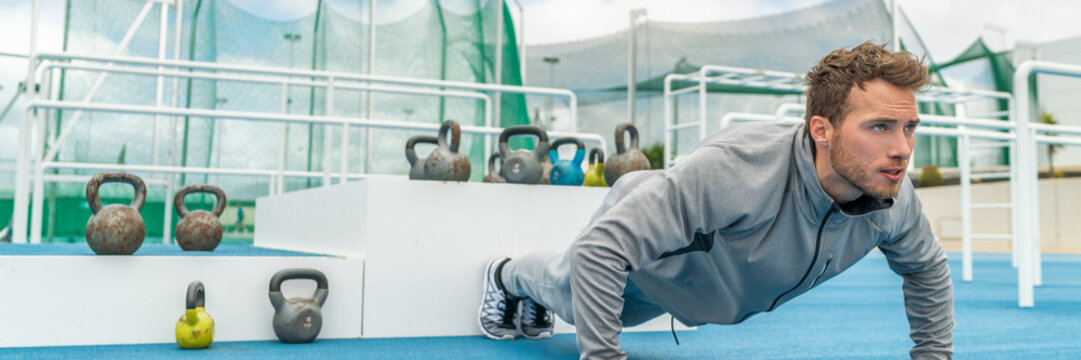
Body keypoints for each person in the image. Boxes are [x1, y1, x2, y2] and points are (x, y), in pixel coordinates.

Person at [477, 41, 953, 360]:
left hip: (702, 286)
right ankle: (506, 275)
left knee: (592, 306)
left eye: (909, 127)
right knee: (575, 300)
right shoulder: (737, 170)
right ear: (821, 130)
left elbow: (927, 269)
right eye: (880, 127)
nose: (903, 149)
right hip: (658, 246)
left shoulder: (891, 194)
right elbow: (601, 251)